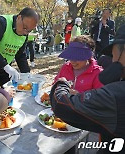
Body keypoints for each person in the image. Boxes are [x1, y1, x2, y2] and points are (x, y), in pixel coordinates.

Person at [50, 25, 125, 154]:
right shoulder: (66, 67)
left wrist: (66, 87)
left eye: (113, 55)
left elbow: (64, 105)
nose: (112, 60)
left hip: (82, 123)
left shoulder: (100, 75)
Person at [0, 7, 39, 89]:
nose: (25, 32)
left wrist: (27, 74)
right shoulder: (0, 23)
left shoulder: (25, 34)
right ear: (19, 18)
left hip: (5, 65)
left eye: (29, 31)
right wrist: (5, 66)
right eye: (24, 27)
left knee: (11, 91)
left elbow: (20, 55)